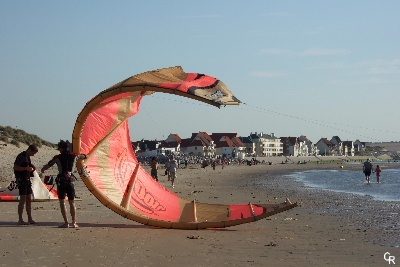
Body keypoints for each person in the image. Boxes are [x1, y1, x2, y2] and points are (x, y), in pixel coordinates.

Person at [41, 140, 87, 228]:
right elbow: (85, 156)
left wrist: (43, 170)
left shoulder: (57, 157)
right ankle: (74, 223)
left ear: (61, 148)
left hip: (61, 181)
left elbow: (47, 166)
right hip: (71, 181)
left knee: (62, 202)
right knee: (72, 202)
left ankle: (66, 223)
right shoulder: (75, 156)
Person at [13, 144, 39, 225]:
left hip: (27, 179)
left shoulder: (27, 157)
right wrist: (26, 168)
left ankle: (30, 218)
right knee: (22, 199)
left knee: (28, 199)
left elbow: (26, 165)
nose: (33, 155)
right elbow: (15, 167)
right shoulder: (21, 156)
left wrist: (31, 166)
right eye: (33, 153)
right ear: (30, 150)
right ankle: (20, 219)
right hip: (22, 180)